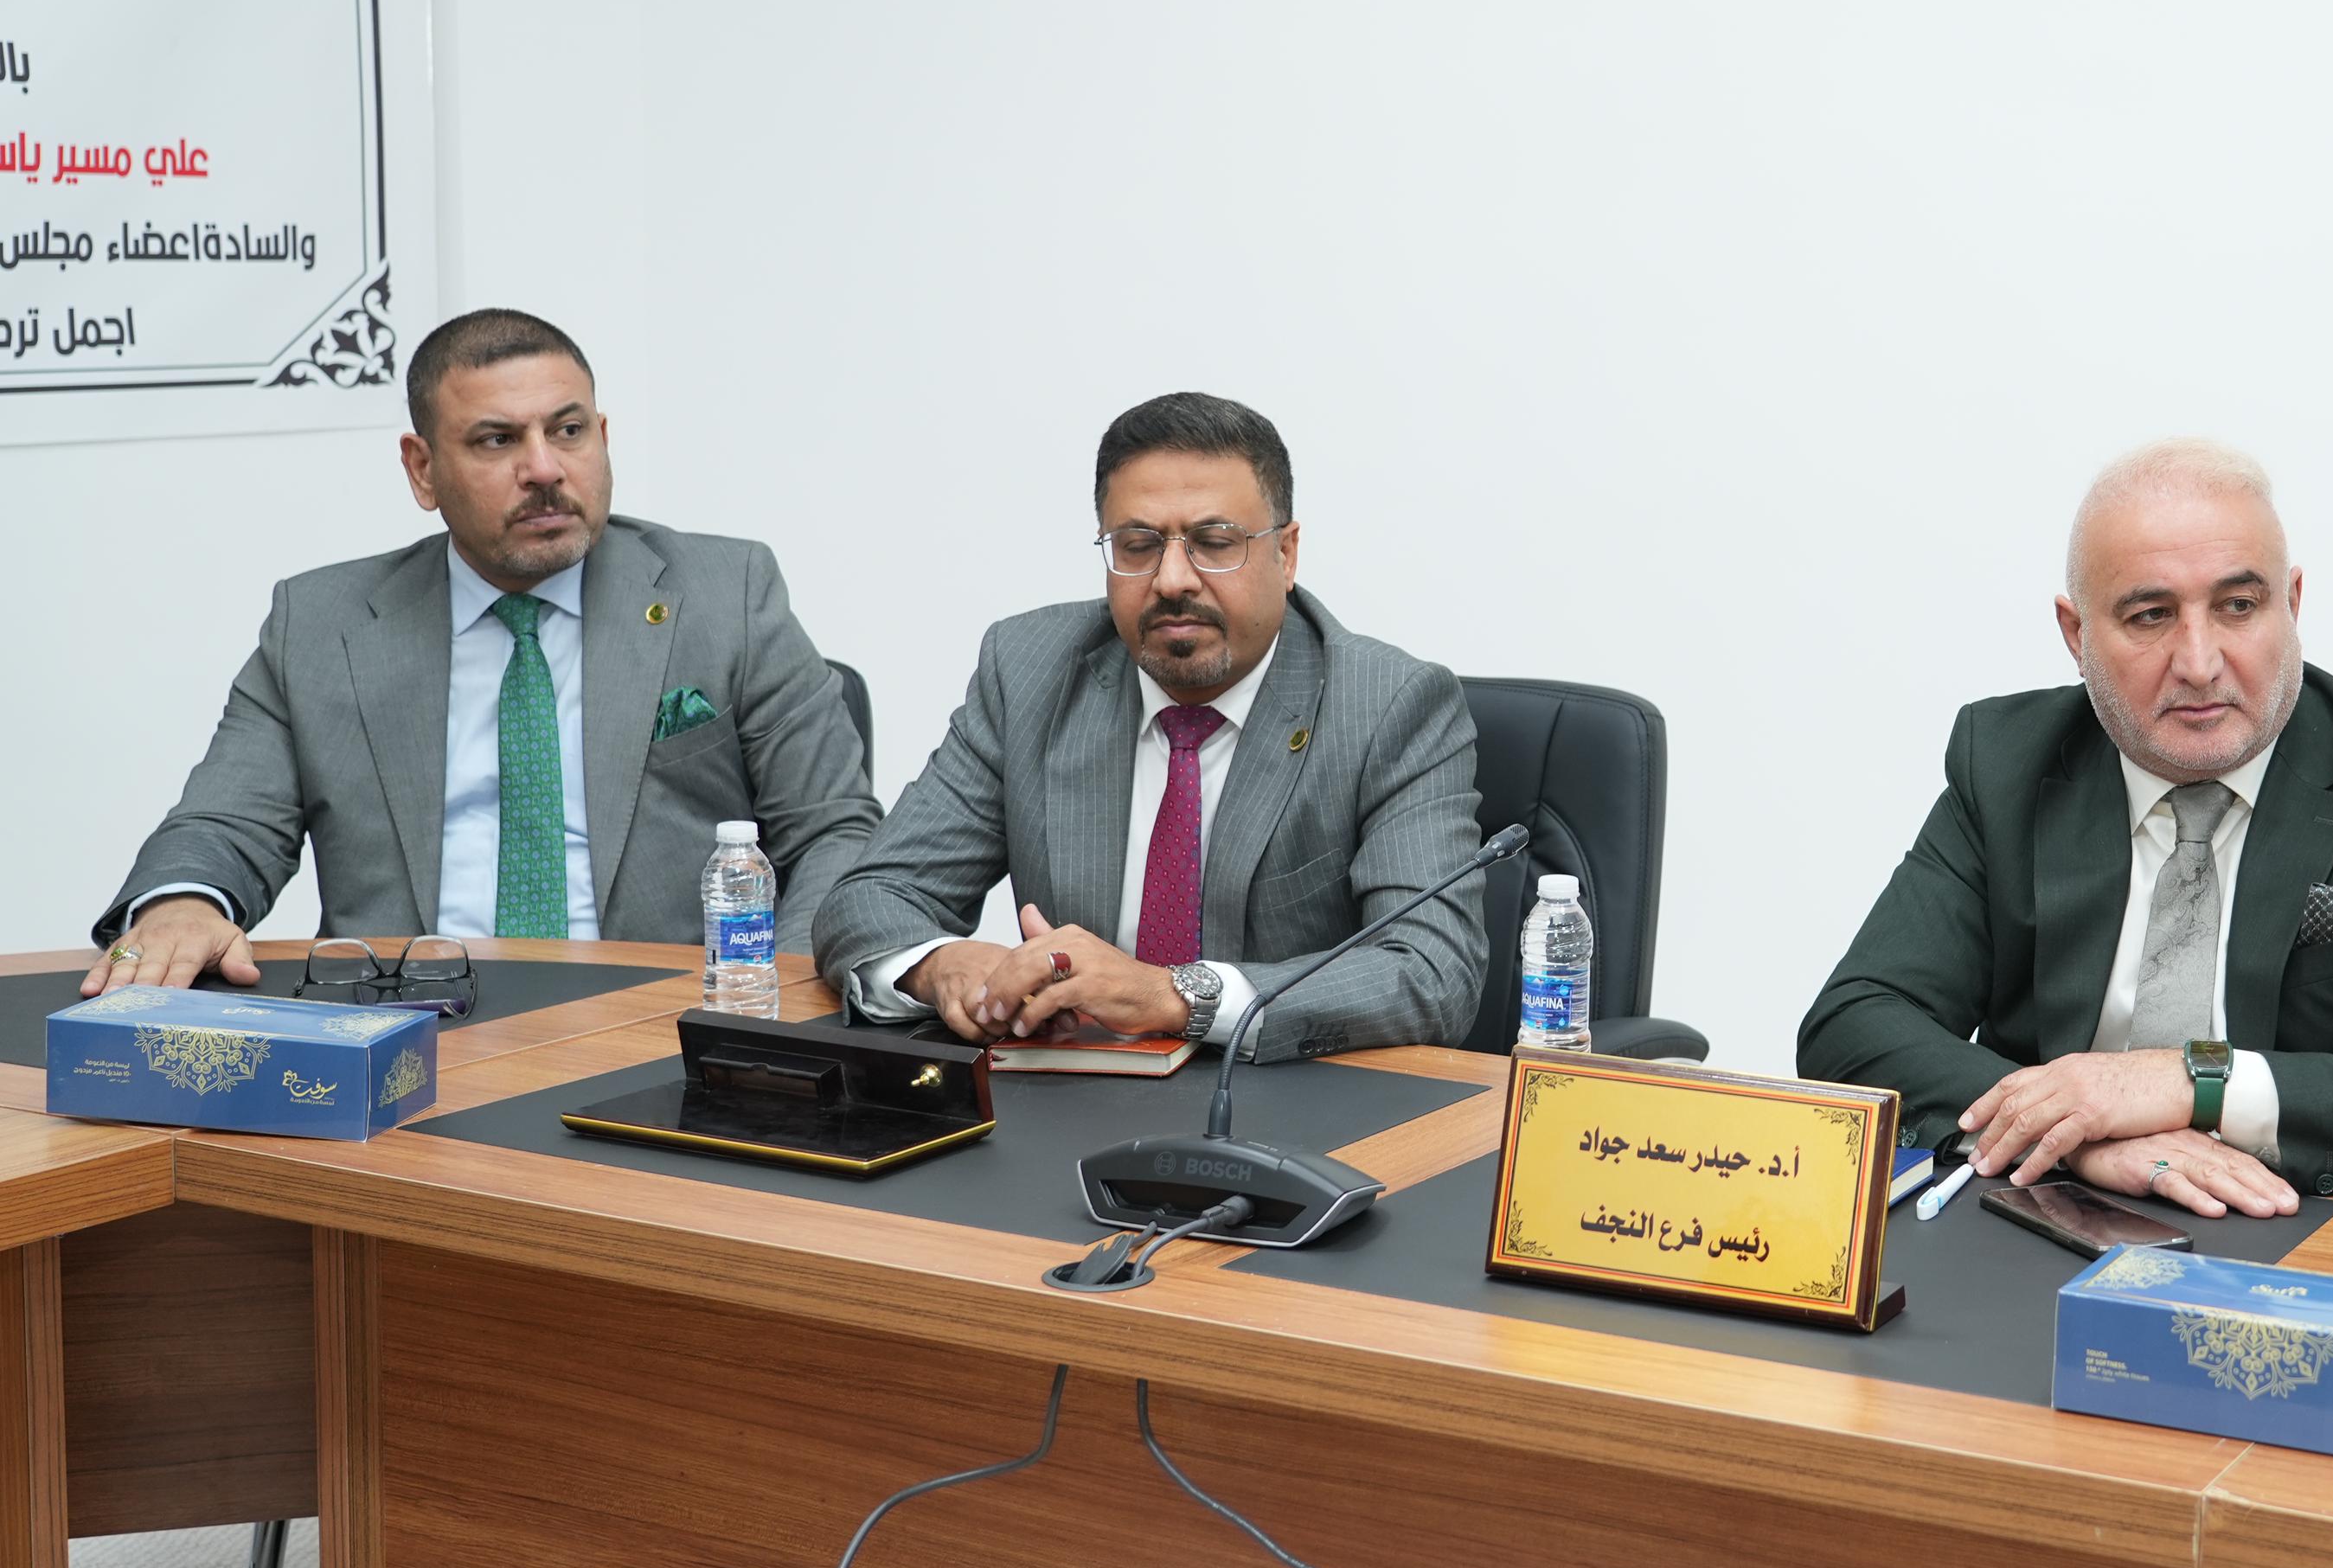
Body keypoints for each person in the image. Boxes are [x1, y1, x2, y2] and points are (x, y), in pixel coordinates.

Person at [1797, 439, 2333, 1218]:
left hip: (2303, 1221)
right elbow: (1852, 1030)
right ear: (2076, 635)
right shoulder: (2006, 764)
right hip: (2053, 1214)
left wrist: (2189, 1082)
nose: (2198, 662)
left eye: (2238, 606)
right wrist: (2080, 1136)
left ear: (2292, 605)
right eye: (2150, 616)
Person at [87, 310, 879, 989]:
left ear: (603, 439)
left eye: (568, 431)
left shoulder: (725, 595)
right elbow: (226, 823)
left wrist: (769, 1000)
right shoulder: (324, 625)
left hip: (659, 1025)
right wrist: (184, 903)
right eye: (498, 440)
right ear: (422, 469)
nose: (544, 469)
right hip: (404, 1029)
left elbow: (832, 830)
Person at [813, 389, 1485, 1057]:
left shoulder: (1388, 706)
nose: (1171, 580)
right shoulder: (1031, 673)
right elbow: (871, 897)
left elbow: (1431, 970)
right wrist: (941, 965)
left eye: (1214, 543)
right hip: (1069, 1093)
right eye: (1137, 545)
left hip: (1285, 1101)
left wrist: (1173, 996)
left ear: (1286, 554)